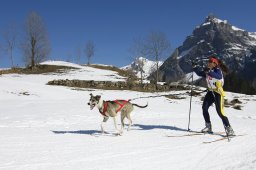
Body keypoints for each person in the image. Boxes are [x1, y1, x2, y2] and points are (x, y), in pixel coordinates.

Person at [192, 56, 235, 136]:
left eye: (210, 61)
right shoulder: (208, 71)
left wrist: (209, 72)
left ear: (215, 64)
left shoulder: (218, 71)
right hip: (210, 93)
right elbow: (199, 73)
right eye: (209, 61)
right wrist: (195, 67)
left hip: (218, 93)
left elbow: (218, 77)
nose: (209, 62)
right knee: (204, 108)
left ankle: (229, 129)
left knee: (220, 113)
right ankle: (208, 126)